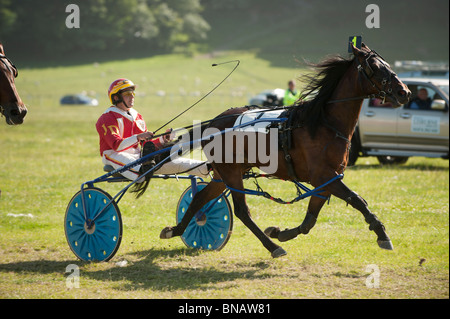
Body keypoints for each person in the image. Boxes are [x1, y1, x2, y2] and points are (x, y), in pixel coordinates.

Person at [96, 78, 210, 181]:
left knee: (178, 162)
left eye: (133, 93)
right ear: (116, 97)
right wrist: (138, 137)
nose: (132, 96)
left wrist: (163, 139)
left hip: (138, 155)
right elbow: (116, 145)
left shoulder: (137, 116)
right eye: (127, 94)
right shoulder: (107, 118)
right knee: (138, 167)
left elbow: (146, 144)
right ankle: (144, 169)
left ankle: (206, 167)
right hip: (114, 155)